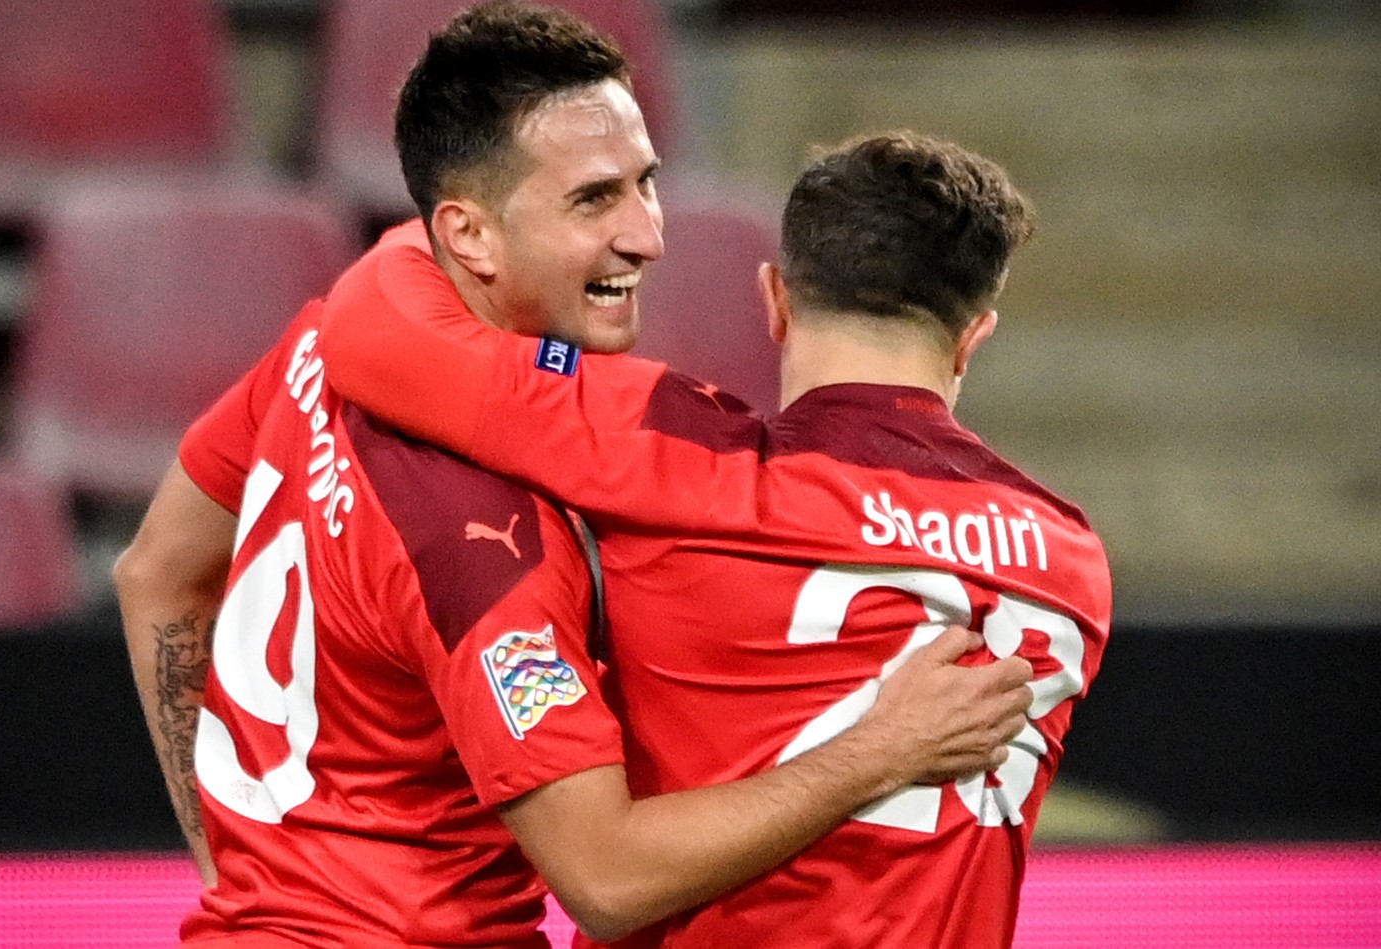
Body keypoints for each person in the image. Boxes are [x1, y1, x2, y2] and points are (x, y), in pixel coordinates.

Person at [113, 5, 1036, 947]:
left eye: (648, 183)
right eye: (594, 200)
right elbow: (607, 876)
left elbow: (156, 573)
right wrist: (882, 748)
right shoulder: (482, 532)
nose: (648, 236)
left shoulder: (319, 340)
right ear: (468, 234)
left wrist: (250, 878)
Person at [315, 129, 1113, 948]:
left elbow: (373, 331)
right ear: (975, 334)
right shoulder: (1069, 556)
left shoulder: (677, 454)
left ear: (774, 299)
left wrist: (472, 220)